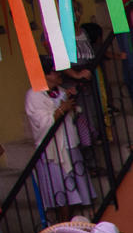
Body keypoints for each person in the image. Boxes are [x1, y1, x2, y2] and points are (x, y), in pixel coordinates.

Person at [23, 66, 91, 214]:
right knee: (61, 190)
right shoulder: (33, 95)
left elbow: (69, 115)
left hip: (69, 142)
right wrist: (62, 109)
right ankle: (64, 224)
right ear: (44, 75)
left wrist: (70, 103)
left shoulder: (59, 90)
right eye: (54, 71)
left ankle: (75, 221)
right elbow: (41, 123)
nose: (59, 73)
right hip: (52, 149)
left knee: (76, 185)